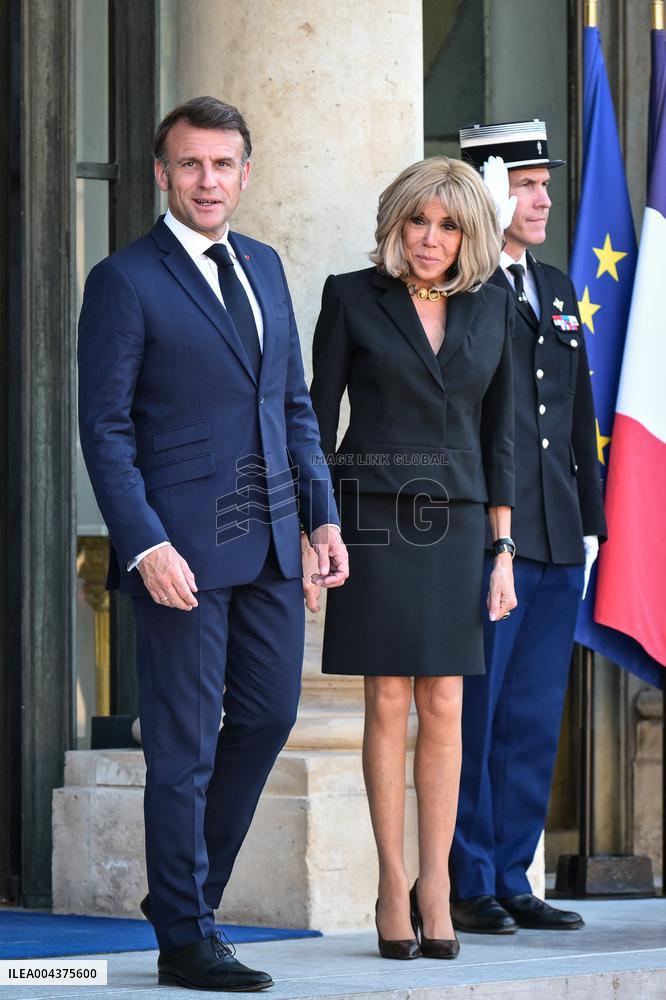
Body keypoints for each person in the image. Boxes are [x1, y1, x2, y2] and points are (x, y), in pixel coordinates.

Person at [77, 96, 348, 992]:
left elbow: (295, 409)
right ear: (162, 173)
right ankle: (189, 935)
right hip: (178, 557)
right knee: (185, 747)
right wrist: (144, 543)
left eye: (222, 164)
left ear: (243, 172)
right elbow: (106, 428)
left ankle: (188, 902)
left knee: (269, 716)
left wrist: (322, 517)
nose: (207, 180)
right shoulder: (124, 280)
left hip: (269, 540)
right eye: (190, 165)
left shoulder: (266, 266)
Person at [306, 157, 517, 960]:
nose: (430, 239)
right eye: (418, 221)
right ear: (397, 222)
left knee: (448, 705)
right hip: (373, 520)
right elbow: (315, 422)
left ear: (470, 234)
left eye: (449, 224)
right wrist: (312, 529)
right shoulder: (351, 296)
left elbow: (500, 439)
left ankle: (439, 885)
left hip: (460, 524)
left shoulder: (495, 306)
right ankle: (392, 883)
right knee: (386, 698)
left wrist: (502, 549)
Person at [450, 120, 607, 934]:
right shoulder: (462, 290)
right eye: (526, 183)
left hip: (556, 531)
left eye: (547, 184)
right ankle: (468, 879)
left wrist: (595, 519)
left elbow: (576, 416)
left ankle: (513, 872)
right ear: (487, 189)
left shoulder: (553, 286)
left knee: (533, 715)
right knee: (478, 711)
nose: (543, 199)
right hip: (489, 539)